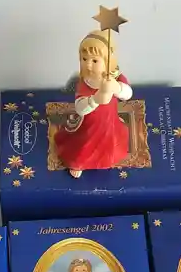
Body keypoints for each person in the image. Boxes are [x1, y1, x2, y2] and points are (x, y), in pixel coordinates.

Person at [55, 30, 133, 178]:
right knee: (84, 145)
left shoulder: (115, 77)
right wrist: (95, 99)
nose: (88, 65)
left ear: (108, 61)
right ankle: (81, 162)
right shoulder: (85, 82)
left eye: (95, 61)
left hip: (109, 122)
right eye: (84, 59)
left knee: (111, 143)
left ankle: (107, 158)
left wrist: (117, 88)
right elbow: (80, 108)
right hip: (90, 125)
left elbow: (128, 94)